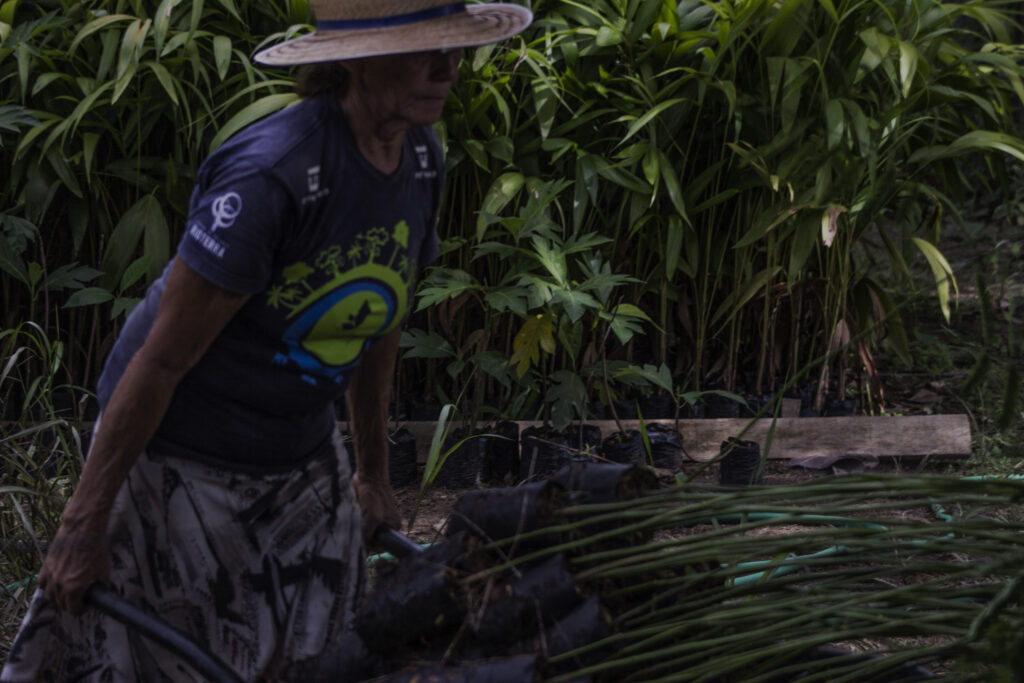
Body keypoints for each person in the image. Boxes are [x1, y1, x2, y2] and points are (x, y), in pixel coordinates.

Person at [0, 1, 531, 680]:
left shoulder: (421, 160)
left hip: (301, 449)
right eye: (424, 48)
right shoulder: (275, 172)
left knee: (320, 656)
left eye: (455, 46)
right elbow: (162, 358)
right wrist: (83, 522)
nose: (449, 67)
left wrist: (373, 472)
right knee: (172, 658)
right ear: (358, 59)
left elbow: (380, 319)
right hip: (184, 453)